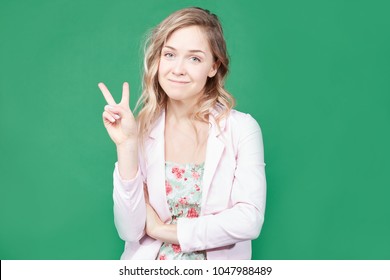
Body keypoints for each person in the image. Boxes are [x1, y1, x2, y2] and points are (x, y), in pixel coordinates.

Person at [98, 7, 266, 260]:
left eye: (194, 58)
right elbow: (129, 231)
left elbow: (248, 221)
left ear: (214, 66)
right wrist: (127, 146)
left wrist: (160, 229)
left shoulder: (242, 129)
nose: (178, 69)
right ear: (157, 60)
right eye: (169, 54)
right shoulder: (140, 130)